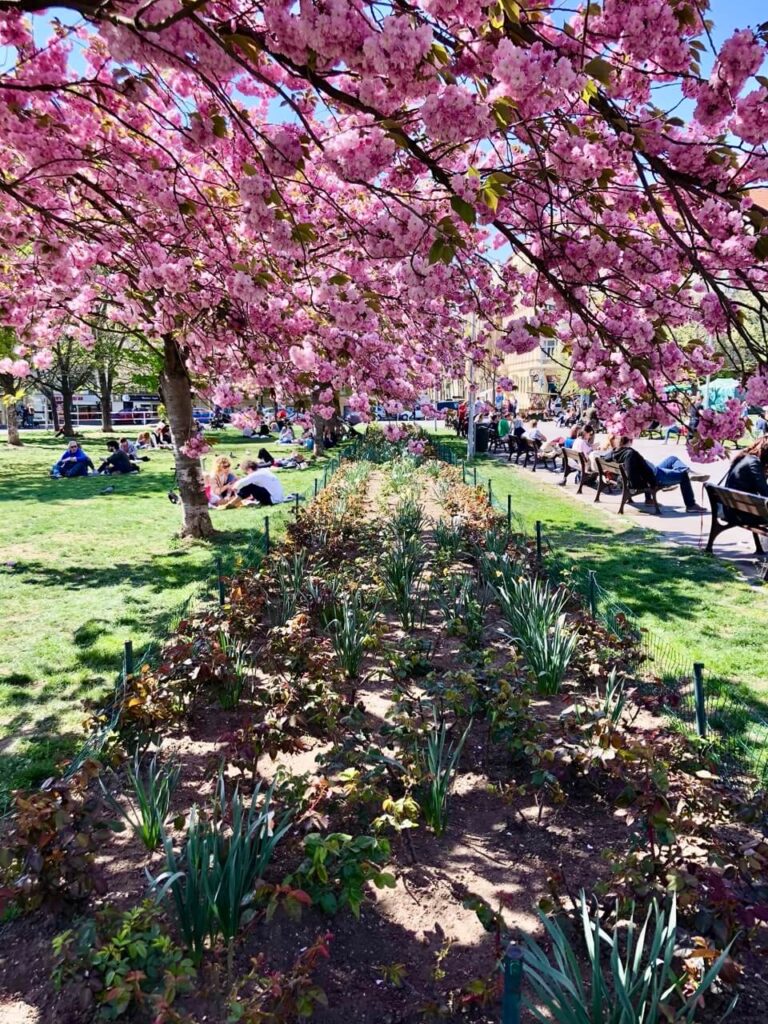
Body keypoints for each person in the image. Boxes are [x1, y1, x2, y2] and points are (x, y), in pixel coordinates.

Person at [602, 436, 705, 512]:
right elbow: (642, 474)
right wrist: (653, 484)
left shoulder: (615, 452)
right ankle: (691, 505)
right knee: (683, 475)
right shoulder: (630, 454)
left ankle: (687, 470)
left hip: (653, 470)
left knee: (672, 459)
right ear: (628, 441)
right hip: (656, 475)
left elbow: (604, 457)